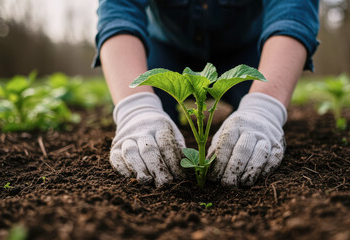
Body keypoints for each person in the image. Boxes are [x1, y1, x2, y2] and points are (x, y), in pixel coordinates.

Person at [94, 0, 319, 187]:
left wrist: (265, 106)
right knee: (151, 126)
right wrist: (135, 107)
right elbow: (118, 13)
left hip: (249, 50)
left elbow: (292, 11)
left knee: (256, 133)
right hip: (165, 48)